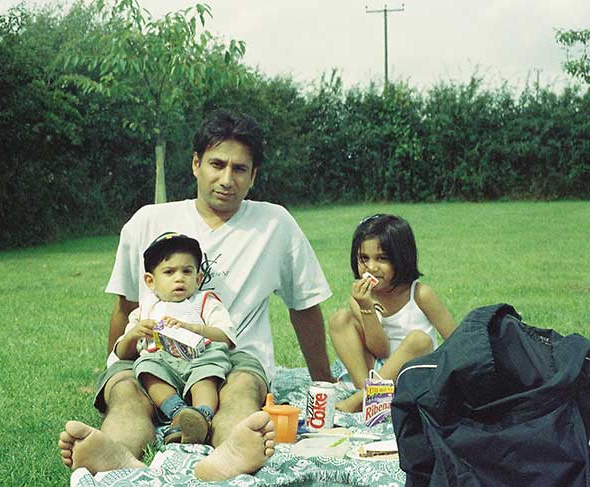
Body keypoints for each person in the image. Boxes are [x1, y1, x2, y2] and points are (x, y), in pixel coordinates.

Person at [59, 108, 334, 481]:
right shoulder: (147, 221)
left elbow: (304, 308)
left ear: (253, 176)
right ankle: (115, 454)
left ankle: (230, 453)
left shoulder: (275, 225)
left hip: (231, 360)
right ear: (195, 164)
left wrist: (323, 383)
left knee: (240, 392)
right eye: (216, 164)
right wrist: (115, 369)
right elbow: (126, 307)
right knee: (127, 393)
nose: (226, 179)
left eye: (240, 169)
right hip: (154, 358)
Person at [112, 231, 237, 445]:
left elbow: (225, 337)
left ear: (198, 279)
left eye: (187, 271)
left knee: (206, 375)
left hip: (199, 358)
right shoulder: (145, 312)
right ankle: (178, 413)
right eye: (169, 272)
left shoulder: (205, 302)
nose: (179, 278)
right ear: (150, 281)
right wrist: (135, 334)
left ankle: (201, 414)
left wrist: (193, 328)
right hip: (163, 362)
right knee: (146, 367)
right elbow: (122, 353)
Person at [328, 214, 457, 412]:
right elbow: (380, 350)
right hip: (375, 374)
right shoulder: (361, 297)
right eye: (364, 258)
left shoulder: (421, 294)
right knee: (340, 319)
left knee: (419, 340)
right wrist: (366, 307)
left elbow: (457, 342)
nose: (371, 268)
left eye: (382, 258)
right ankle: (369, 396)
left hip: (411, 374)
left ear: (401, 258)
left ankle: (360, 401)